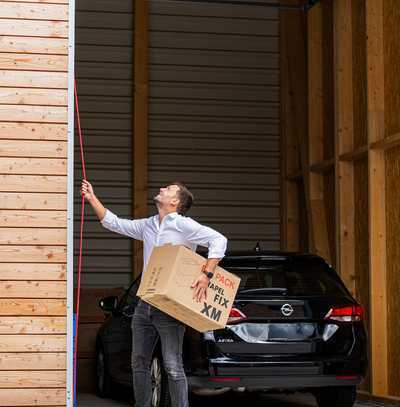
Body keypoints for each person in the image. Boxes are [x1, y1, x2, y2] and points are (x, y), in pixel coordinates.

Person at [81, 180, 228, 407]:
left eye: (168, 189)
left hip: (169, 307)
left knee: (172, 366)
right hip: (144, 303)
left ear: (175, 202)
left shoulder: (183, 225)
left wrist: (206, 274)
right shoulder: (149, 224)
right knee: (138, 363)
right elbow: (114, 223)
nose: (161, 189)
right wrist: (92, 198)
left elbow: (219, 240)